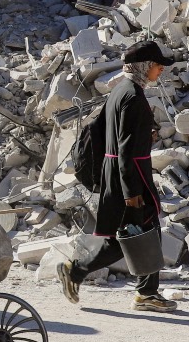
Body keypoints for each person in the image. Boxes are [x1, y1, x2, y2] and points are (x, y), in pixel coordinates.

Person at [57, 39, 179, 313]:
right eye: (157, 65)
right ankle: (146, 294)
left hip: (116, 173)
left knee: (123, 237)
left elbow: (113, 134)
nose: (161, 69)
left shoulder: (121, 91)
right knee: (146, 232)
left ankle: (76, 271)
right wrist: (131, 192)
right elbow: (125, 150)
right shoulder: (133, 97)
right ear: (144, 66)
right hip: (130, 177)